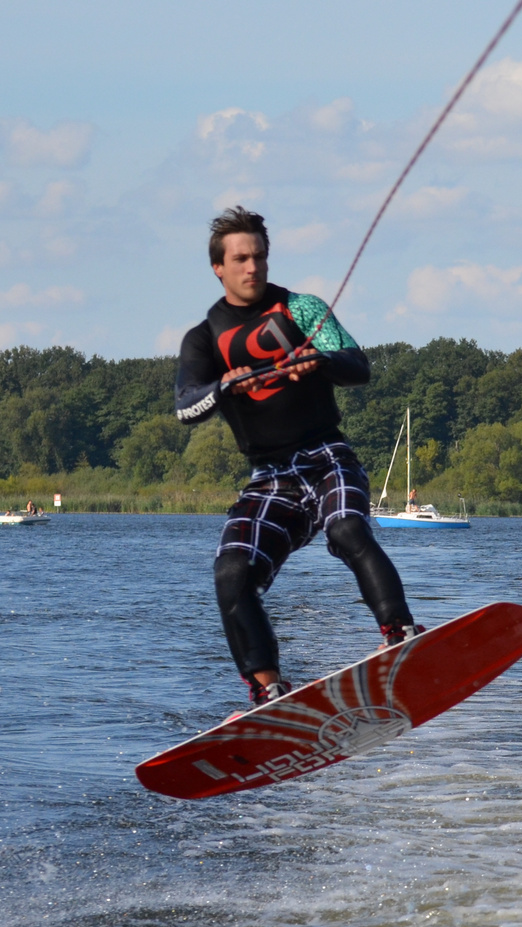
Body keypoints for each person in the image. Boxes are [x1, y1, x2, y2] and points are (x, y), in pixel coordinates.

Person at [174, 206, 420, 708]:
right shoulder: (202, 339)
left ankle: (400, 633)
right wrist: (225, 385)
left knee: (347, 529)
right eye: (241, 259)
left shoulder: (301, 310)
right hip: (270, 479)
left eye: (260, 257)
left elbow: (357, 366)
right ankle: (268, 690)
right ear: (218, 267)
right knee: (231, 572)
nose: (253, 268)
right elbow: (186, 408)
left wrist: (319, 360)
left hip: (327, 457)